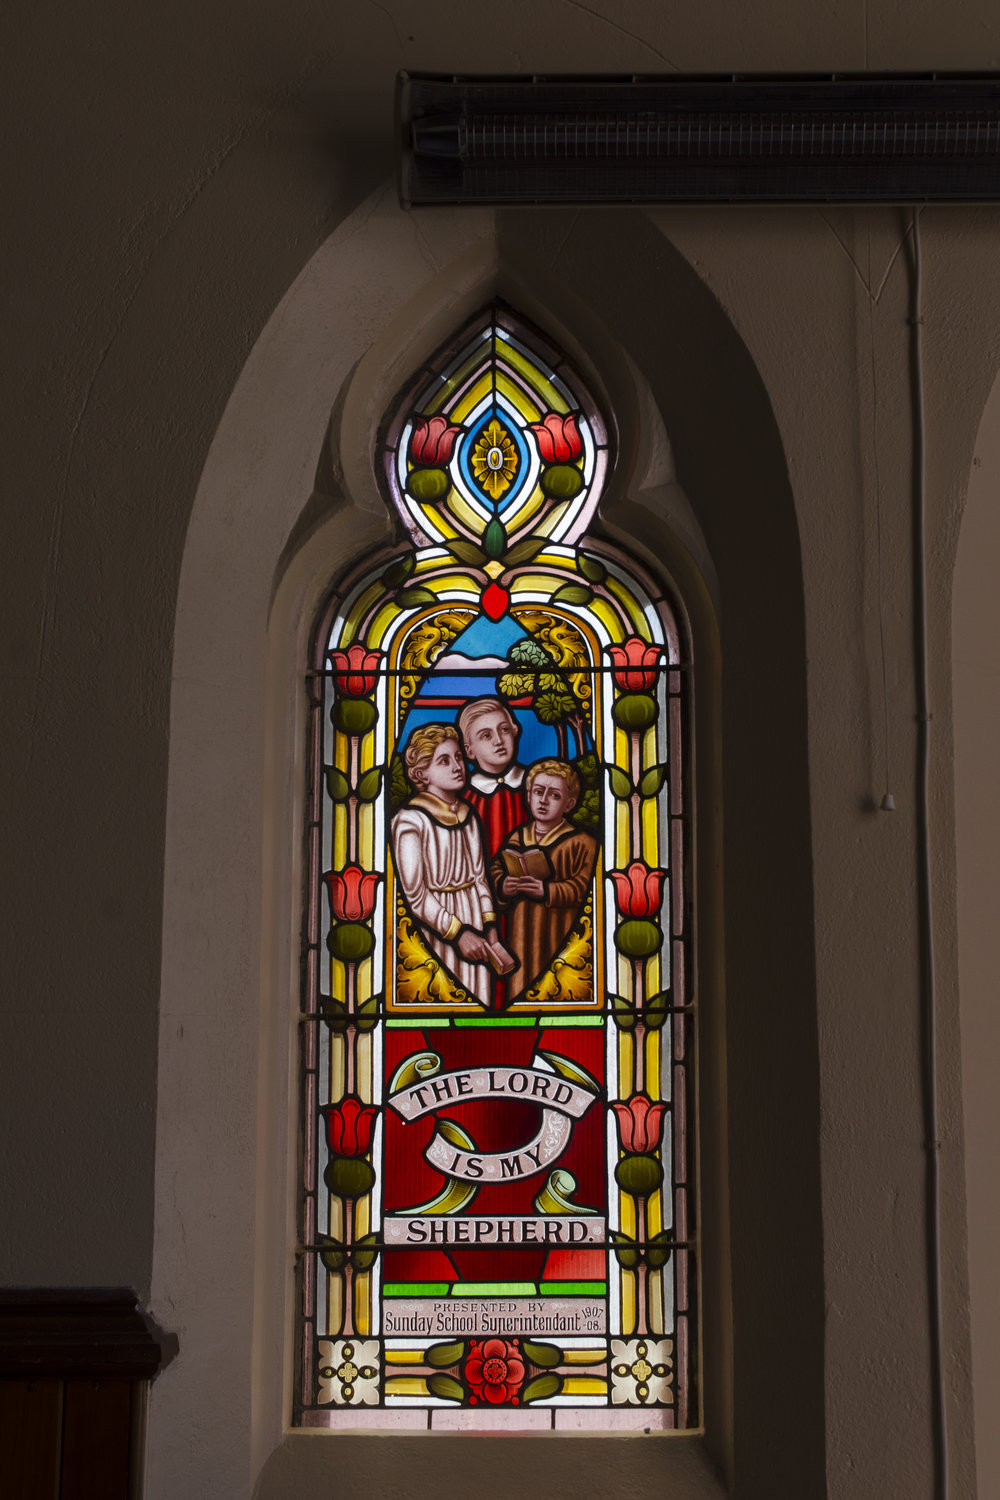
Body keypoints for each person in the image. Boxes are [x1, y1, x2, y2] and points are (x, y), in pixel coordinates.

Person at [391, 723, 513, 1007]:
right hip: (437, 925)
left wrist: (489, 926)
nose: (458, 766)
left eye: (458, 757)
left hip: (474, 918)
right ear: (422, 774)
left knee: (478, 996)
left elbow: (480, 879)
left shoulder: (468, 815)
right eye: (444, 761)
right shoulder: (410, 821)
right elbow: (416, 896)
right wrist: (457, 933)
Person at [491, 759, 597, 1001]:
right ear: (528, 795)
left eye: (555, 795)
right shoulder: (518, 836)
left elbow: (584, 888)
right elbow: (496, 869)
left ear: (569, 804)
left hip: (560, 931)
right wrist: (503, 886)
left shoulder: (583, 842)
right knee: (521, 984)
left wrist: (547, 891)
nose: (543, 800)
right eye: (538, 792)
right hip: (521, 933)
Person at [458, 697, 529, 860]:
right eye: (486, 735)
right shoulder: (463, 796)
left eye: (504, 729)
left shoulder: (535, 784)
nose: (498, 741)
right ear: (469, 750)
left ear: (514, 731)